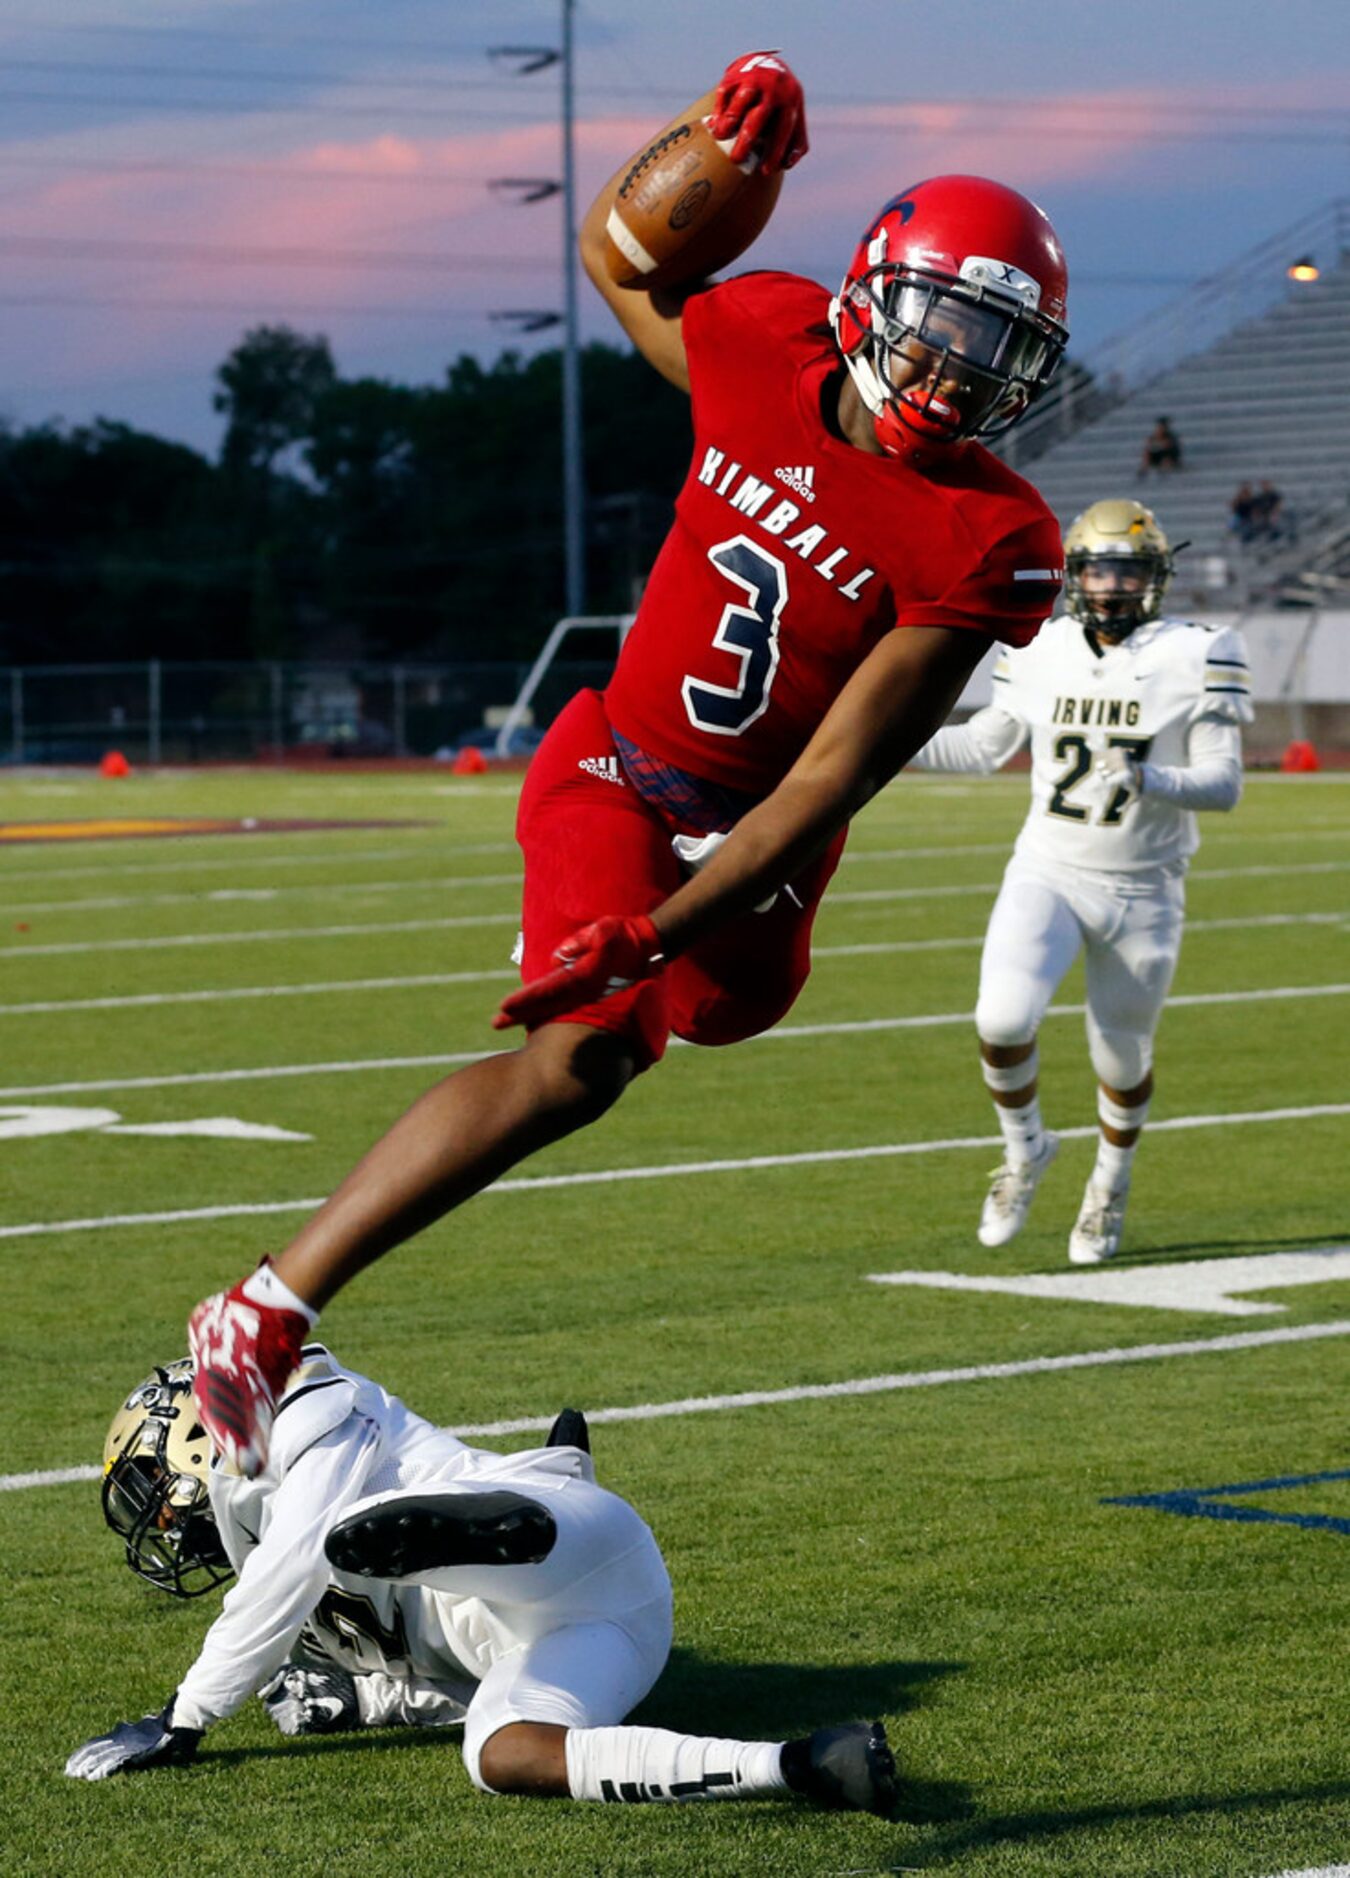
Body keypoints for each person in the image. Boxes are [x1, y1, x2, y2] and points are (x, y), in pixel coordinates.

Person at [187, 48, 1071, 1477]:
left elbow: (821, 787)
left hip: (756, 838)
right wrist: (731, 147)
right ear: (869, 294)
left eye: (993, 354)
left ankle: (637, 973)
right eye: (943, 329)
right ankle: (266, 1306)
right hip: (616, 768)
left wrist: (661, 924)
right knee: (581, 1060)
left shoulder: (990, 541)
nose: (955, 373)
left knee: (724, 1009)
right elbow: (617, 255)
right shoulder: (762, 344)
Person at [66, 1349, 897, 1814]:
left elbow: (294, 1561)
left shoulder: (304, 1407)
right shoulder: (274, 1577)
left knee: (354, 1540)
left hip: (572, 1554)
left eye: (151, 1488)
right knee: (499, 1754)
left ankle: (532, 1502)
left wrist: (185, 1717)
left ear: (195, 1438)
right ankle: (799, 1766)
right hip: (599, 1635)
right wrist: (367, 1701)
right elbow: (426, 1668)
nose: (162, 1523)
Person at [909, 498, 1252, 1262]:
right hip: (1049, 869)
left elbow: (1223, 785)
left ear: (1155, 576)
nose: (1110, 585)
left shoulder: (1200, 651)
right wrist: (878, 746)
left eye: (1127, 569)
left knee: (1120, 1056)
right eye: (1097, 567)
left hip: (1145, 887)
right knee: (1001, 1018)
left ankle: (1109, 1185)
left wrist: (1148, 775)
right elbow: (980, 748)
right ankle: (1026, 1150)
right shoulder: (1040, 647)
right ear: (1073, 574)